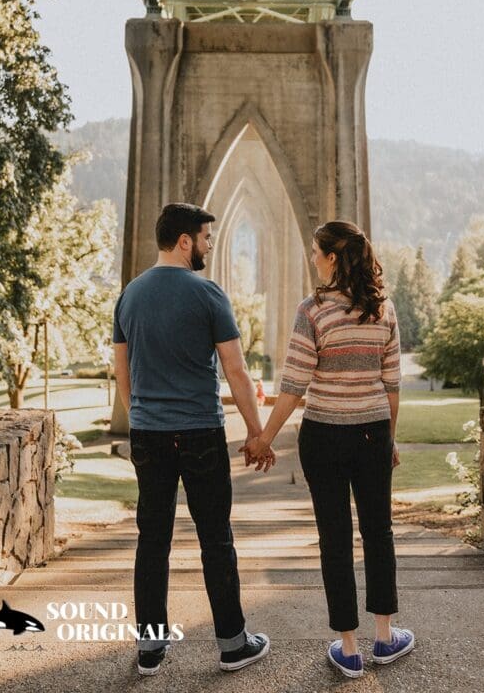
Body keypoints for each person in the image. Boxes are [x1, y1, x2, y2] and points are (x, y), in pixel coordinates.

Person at [242, 220, 414, 679]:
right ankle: (385, 637)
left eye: (317, 252)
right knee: (379, 533)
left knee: (335, 538)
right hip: (371, 433)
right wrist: (388, 439)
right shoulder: (384, 310)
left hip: (323, 435)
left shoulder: (312, 311)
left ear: (333, 258)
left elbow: (294, 385)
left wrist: (264, 436)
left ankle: (349, 647)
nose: (313, 259)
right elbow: (392, 386)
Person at [113, 202, 275, 677]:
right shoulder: (208, 294)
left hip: (150, 434)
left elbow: (122, 369)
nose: (207, 246)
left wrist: (141, 411)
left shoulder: (129, 296)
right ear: (184, 241)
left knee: (153, 540)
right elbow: (237, 369)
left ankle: (150, 650)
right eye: (205, 238)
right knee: (215, 539)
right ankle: (232, 645)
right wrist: (256, 432)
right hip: (201, 431)